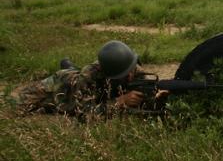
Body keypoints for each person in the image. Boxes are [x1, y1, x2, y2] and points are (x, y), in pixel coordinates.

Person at [11, 40, 162, 117]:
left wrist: (155, 96)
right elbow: (83, 113)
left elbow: (145, 83)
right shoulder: (87, 77)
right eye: (125, 74)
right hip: (63, 84)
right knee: (18, 103)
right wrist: (119, 102)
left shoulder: (128, 64)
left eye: (131, 69)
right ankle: (67, 69)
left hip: (88, 81)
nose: (131, 75)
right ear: (110, 75)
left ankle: (70, 66)